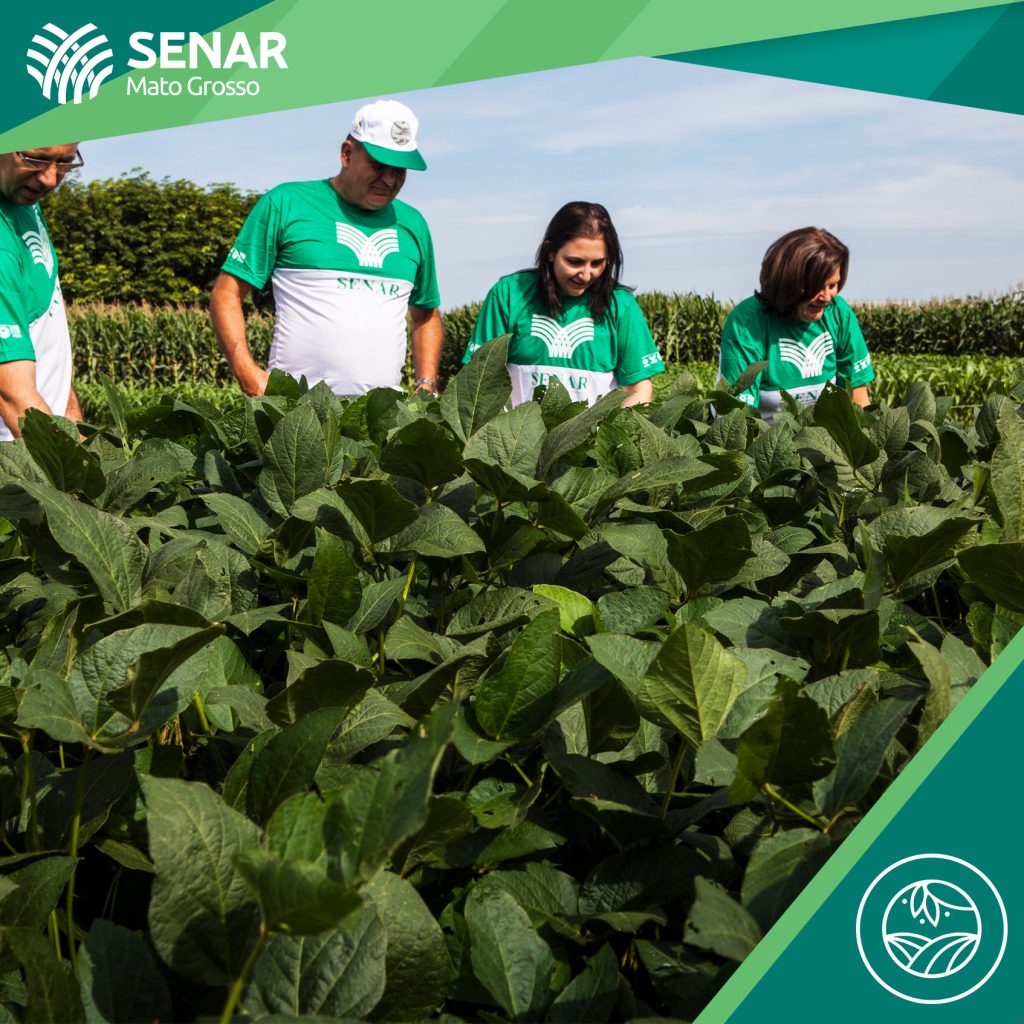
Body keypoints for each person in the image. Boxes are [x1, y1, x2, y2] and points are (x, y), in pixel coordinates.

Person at [211, 99, 442, 398]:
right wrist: (248, 374)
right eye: (378, 165)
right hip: (294, 409)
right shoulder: (286, 203)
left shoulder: (413, 224)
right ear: (347, 153)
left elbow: (426, 315)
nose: (389, 179)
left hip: (380, 416)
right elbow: (227, 293)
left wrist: (426, 383)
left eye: (399, 169)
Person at [463, 201, 664, 407]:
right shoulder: (509, 294)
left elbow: (637, 386)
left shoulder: (621, 304)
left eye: (597, 263)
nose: (586, 275)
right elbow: (481, 377)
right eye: (575, 262)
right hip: (519, 429)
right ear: (550, 251)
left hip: (594, 430)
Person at [718, 226, 874, 422]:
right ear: (788, 281)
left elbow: (858, 399)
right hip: (764, 437)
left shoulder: (838, 313)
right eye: (817, 287)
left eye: (832, 285)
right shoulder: (747, 323)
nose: (826, 297)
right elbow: (737, 419)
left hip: (821, 437)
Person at [0, 145, 84, 440]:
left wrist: (72, 418)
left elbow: (45, 334)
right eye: (35, 159)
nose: (50, 179)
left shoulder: (19, 195)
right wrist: (74, 465)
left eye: (65, 162)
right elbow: (14, 400)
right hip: (16, 457)